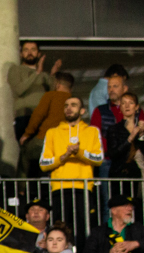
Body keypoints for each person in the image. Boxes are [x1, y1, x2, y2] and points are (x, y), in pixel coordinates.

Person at [40, 96, 103, 231]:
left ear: (82, 111)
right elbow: (43, 163)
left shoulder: (92, 131)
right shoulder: (52, 132)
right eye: (66, 105)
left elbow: (98, 158)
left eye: (73, 105)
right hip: (59, 188)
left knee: (84, 230)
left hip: (83, 188)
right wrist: (65, 156)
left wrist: (79, 152)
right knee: (60, 230)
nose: (69, 108)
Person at [21, 72, 74, 178]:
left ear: (57, 84)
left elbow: (38, 115)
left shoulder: (50, 96)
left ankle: (22, 189)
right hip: (66, 143)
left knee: (26, 154)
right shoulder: (74, 101)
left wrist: (27, 134)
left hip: (44, 140)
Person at [9, 41, 61, 141]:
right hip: (25, 117)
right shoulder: (15, 70)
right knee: (28, 152)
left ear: (39, 54)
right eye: (26, 50)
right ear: (21, 54)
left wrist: (53, 74)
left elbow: (52, 96)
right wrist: (36, 73)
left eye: (33, 50)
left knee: (45, 152)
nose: (29, 53)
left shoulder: (44, 75)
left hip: (44, 118)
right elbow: (18, 90)